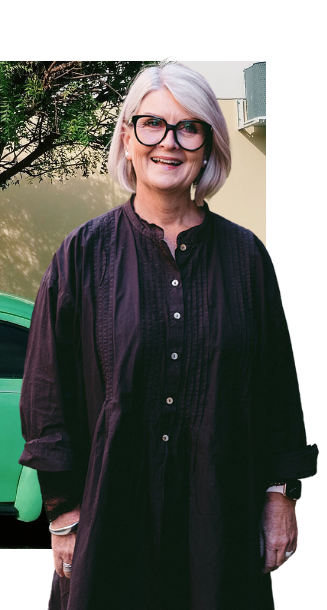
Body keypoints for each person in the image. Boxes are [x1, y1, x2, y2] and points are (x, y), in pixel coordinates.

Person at [18, 62, 318, 609]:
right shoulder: (83, 256)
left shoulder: (246, 257)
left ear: (208, 146)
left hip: (219, 517)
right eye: (152, 124)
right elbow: (46, 395)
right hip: (111, 515)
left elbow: (277, 387)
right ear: (128, 140)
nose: (169, 143)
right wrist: (62, 513)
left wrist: (281, 495)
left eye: (189, 127)